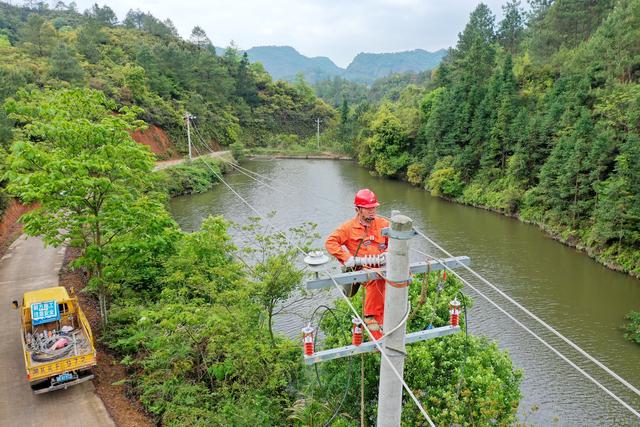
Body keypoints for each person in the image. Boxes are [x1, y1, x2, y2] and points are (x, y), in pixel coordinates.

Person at [325, 189, 389, 339]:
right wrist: (347, 258)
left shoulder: (383, 224)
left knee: (402, 277)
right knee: (375, 278)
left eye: (374, 207)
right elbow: (330, 242)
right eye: (368, 208)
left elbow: (397, 239)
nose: (372, 211)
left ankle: (390, 313)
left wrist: (389, 250)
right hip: (363, 268)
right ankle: (371, 317)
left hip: (383, 264)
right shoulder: (348, 228)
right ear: (358, 209)